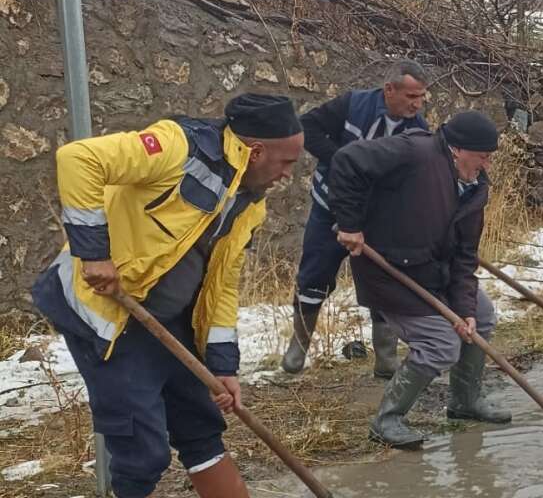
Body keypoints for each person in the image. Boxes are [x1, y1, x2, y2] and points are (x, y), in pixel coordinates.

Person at [30, 94, 304, 498]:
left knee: (202, 425)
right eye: (287, 163)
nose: (288, 175)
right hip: (110, 315)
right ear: (256, 150)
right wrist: (93, 253)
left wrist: (223, 365)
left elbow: (222, 286)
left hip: (169, 319)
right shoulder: (178, 146)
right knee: (143, 453)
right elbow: (78, 159)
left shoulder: (250, 206)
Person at [326, 110, 509, 448]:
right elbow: (347, 160)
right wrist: (350, 224)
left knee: (480, 317)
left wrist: (464, 308)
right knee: (441, 344)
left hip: (436, 273)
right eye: (483, 157)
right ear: (458, 148)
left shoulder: (474, 189)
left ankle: (463, 402)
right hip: (391, 272)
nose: (486, 165)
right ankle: (387, 419)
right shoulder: (416, 153)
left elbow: (464, 257)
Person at [283, 60, 431, 376]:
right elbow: (306, 126)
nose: (417, 104)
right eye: (411, 96)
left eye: (421, 97)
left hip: (378, 216)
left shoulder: (418, 129)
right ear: (389, 89)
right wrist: (344, 161)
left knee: (384, 281)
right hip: (330, 207)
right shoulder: (353, 105)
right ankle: (298, 348)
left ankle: (386, 359)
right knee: (314, 274)